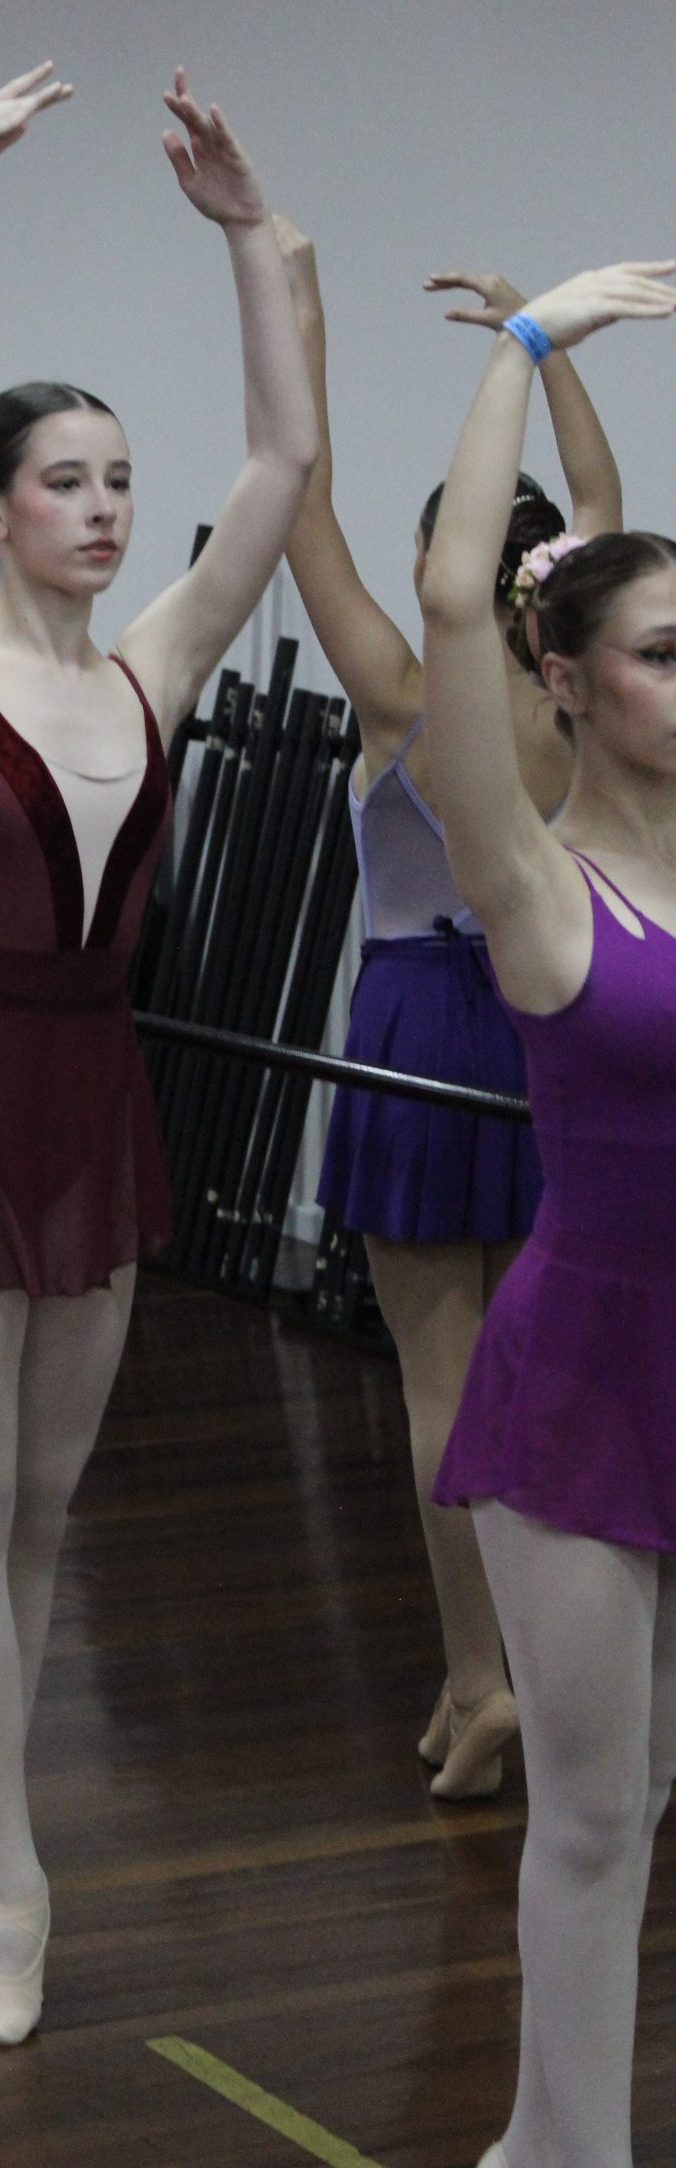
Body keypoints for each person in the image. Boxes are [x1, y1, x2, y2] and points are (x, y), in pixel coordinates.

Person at [0, 64, 318, 2043]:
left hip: (90, 1094)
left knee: (35, 1519)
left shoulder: (155, 661)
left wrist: (248, 233)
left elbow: (282, 462)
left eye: (118, 478)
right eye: (64, 479)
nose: (104, 507)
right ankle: (13, 1881)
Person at [278, 233, 624, 1800]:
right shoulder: (569, 695)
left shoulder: (406, 689)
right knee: (539, 1367)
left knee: (439, 1375)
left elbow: (298, 506)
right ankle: (521, 1678)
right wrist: (542, 350)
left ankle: (477, 1676)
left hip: (419, 1019)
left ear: (446, 561)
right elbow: (598, 506)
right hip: (549, 1020)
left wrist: (292, 316)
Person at [417, 257, 676, 2168]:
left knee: (647, 1800)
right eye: (660, 649)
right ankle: (558, 2152)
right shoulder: (529, 876)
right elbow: (454, 597)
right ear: (568, 679)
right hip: (583, 1367)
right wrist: (522, 348)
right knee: (590, 1813)